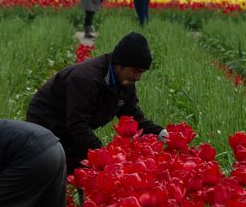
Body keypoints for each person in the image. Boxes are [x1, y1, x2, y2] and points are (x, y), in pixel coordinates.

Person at [26, 31, 163, 174]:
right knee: (57, 171)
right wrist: (103, 154)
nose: (138, 77)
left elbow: (133, 117)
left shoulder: (125, 82)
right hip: (46, 126)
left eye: (141, 73)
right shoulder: (86, 79)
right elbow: (77, 125)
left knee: (84, 168)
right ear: (120, 64)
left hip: (72, 127)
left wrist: (162, 134)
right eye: (135, 71)